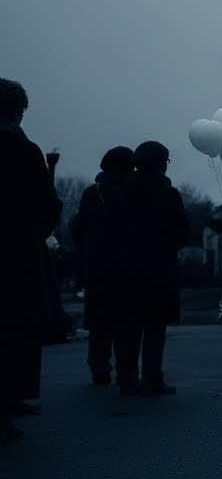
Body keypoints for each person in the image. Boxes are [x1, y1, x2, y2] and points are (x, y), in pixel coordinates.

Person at [0, 79, 62, 442]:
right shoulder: (21, 148)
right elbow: (44, 203)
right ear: (16, 110)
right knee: (14, 327)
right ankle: (7, 401)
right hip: (15, 249)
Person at [113, 142, 188, 397]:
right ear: (160, 163)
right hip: (158, 269)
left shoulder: (120, 192)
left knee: (128, 325)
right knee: (155, 327)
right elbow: (180, 233)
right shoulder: (168, 194)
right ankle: (152, 378)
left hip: (126, 268)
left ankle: (127, 378)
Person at [71, 146, 137, 385]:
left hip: (97, 267)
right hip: (127, 267)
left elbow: (78, 228)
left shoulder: (92, 193)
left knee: (99, 323)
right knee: (126, 321)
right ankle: (127, 371)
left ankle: (99, 368)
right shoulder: (134, 193)